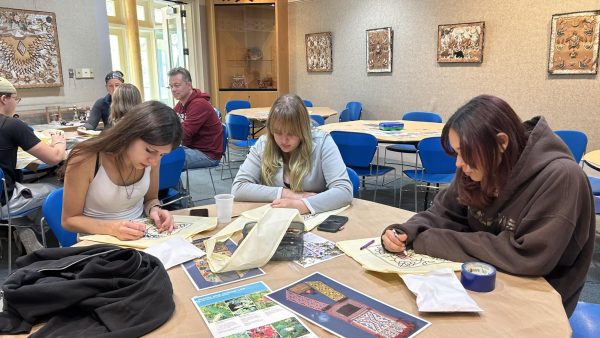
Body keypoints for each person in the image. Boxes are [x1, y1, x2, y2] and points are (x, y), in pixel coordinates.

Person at [381, 95, 595, 317]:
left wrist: (428, 239)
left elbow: (527, 257)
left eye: (465, 152)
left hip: (536, 301)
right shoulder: (478, 163)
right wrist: (407, 231)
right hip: (479, 282)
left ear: (501, 143)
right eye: (457, 152)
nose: (458, 163)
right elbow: (443, 211)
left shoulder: (562, 177)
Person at [61, 101, 183, 241]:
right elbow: (69, 220)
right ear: (130, 134)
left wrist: (155, 209)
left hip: (140, 237)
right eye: (150, 150)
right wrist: (112, 228)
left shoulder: (152, 158)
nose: (154, 161)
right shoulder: (86, 157)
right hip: (98, 241)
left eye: (162, 155)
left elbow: (151, 199)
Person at [231, 94, 353, 214]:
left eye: (291, 133)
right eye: (278, 132)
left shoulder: (323, 142)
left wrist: (302, 205)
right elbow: (238, 188)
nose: (284, 140)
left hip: (315, 217)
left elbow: (344, 191)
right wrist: (287, 194)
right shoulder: (263, 143)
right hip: (275, 217)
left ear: (303, 129)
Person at [0, 77, 66, 253]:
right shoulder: (11, 125)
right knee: (58, 189)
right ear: (3, 99)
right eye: (16, 98)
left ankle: (25, 229)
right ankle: (51, 244)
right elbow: (54, 158)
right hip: (4, 200)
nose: (16, 103)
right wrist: (59, 141)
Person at [168, 67, 223, 169]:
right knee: (160, 156)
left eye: (177, 85)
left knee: (165, 160)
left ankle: (171, 185)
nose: (173, 90)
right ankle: (172, 185)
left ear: (189, 85)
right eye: (170, 86)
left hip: (207, 154)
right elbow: (170, 123)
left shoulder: (199, 104)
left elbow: (184, 133)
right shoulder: (181, 103)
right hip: (191, 149)